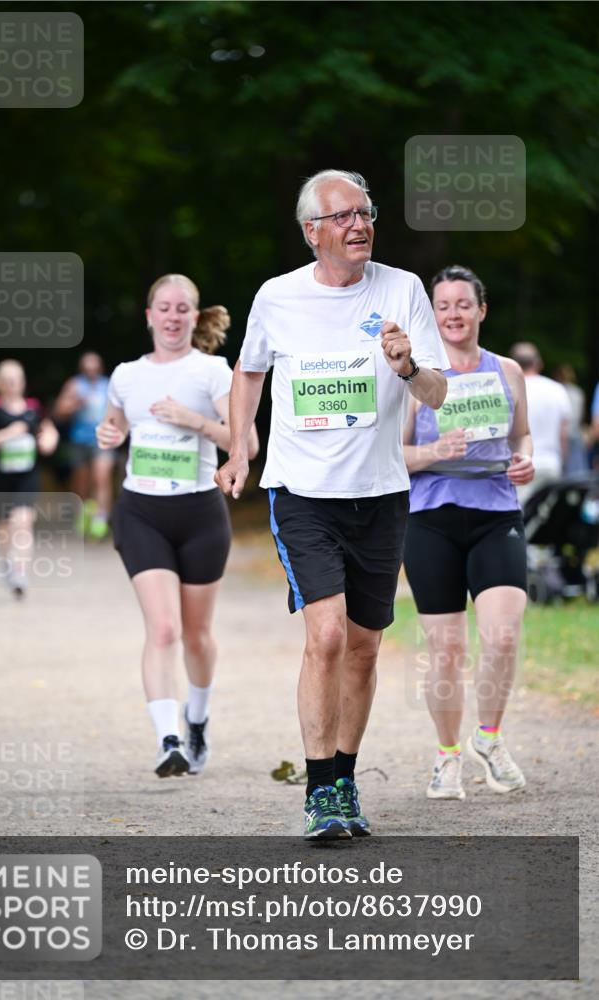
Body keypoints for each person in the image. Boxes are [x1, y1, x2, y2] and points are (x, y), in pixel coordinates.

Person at [216, 169, 448, 839]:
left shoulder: (402, 288)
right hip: (302, 493)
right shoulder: (277, 296)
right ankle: (319, 790)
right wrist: (239, 448)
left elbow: (436, 393)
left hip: (380, 493)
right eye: (343, 215)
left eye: (365, 212)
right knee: (325, 636)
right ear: (311, 231)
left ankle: (345, 779)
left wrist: (408, 368)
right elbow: (249, 372)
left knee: (364, 647)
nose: (359, 225)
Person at [96, 274, 258, 778]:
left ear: (195, 316)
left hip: (200, 514)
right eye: (164, 308)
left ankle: (197, 721)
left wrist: (194, 421)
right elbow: (115, 427)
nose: (172, 316)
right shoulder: (125, 375)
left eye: (182, 308)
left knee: (197, 635)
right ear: (149, 316)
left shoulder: (212, 371)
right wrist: (108, 434)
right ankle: (169, 741)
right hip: (141, 512)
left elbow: (247, 444)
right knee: (163, 628)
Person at [403, 265, 534, 801]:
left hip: (496, 514)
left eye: (463, 304)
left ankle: (489, 737)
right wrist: (435, 451)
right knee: (447, 650)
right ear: (432, 315)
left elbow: (522, 436)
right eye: (443, 306)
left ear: (481, 310)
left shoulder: (508, 371)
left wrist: (524, 460)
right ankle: (447, 755)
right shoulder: (416, 379)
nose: (453, 314)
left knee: (502, 636)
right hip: (430, 519)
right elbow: (390, 457)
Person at [0, 359, 59, 598]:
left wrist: (48, 441)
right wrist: (8, 433)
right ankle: (8, 562)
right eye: (7, 380)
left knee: (23, 521)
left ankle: (20, 572)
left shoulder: (33, 407)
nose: (12, 385)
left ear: (23, 382)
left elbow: (49, 431)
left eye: (16, 380)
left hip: (27, 477)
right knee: (5, 525)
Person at [53, 352, 116, 539]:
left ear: (100, 368)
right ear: (82, 369)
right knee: (81, 481)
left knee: (102, 478)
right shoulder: (74, 385)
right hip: (79, 440)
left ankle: (101, 520)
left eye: (94, 368)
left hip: (103, 439)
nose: (91, 371)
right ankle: (84, 513)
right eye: (87, 368)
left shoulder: (108, 385)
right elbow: (58, 411)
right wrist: (74, 404)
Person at [509, 342, 571, 505]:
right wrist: (562, 463)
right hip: (551, 464)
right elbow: (564, 435)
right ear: (538, 363)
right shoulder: (557, 389)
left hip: (520, 465)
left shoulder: (509, 389)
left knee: (521, 514)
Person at [551, 364, 588, 476]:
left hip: (561, 433)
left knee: (562, 470)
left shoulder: (556, 391)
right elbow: (580, 415)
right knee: (578, 469)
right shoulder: (578, 392)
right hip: (575, 432)